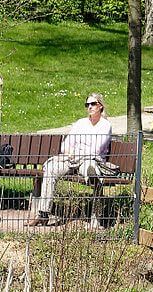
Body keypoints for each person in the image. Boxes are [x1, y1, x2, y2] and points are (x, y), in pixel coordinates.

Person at [27, 92, 113, 226]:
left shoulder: (105, 126)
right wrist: (69, 153)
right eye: (87, 104)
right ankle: (43, 214)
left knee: (91, 169)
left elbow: (96, 149)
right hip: (72, 159)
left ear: (100, 106)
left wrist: (77, 151)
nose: (89, 107)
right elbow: (66, 145)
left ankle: (95, 209)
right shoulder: (80, 123)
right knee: (51, 169)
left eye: (93, 104)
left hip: (90, 160)